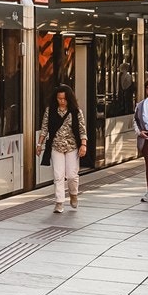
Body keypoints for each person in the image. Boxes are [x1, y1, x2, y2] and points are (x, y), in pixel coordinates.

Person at [39, 84, 88, 213]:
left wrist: (83, 145)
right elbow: (44, 129)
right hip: (56, 146)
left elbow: (82, 130)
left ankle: (73, 193)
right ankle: (59, 202)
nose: (61, 101)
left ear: (69, 99)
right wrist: (39, 144)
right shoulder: (50, 111)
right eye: (59, 98)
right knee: (58, 175)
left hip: (72, 147)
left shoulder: (76, 112)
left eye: (64, 99)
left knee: (72, 175)